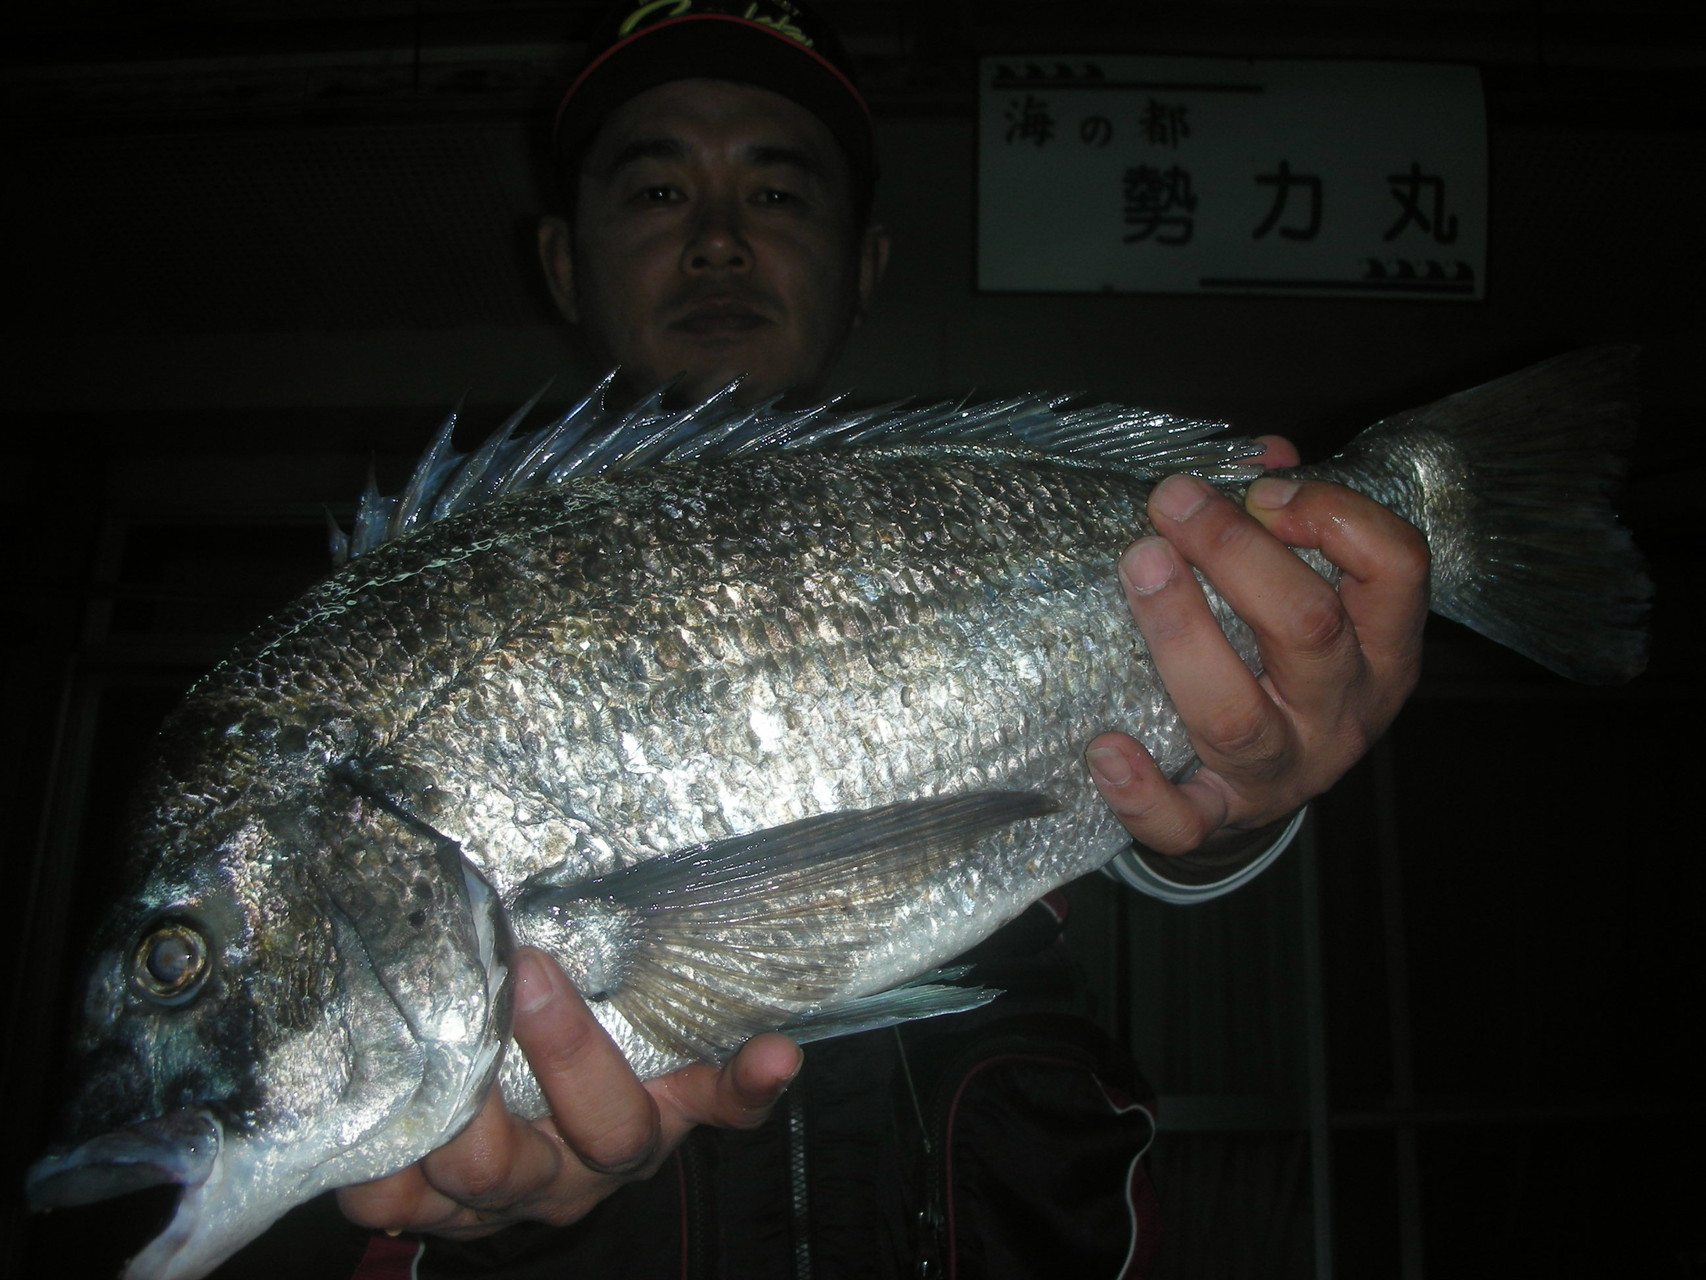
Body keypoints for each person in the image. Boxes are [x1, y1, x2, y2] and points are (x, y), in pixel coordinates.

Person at [334, 0, 1428, 1272]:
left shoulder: (968, 518)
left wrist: (1244, 788)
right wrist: (460, 1196)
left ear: (864, 262)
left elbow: (1138, 814)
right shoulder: (402, 622)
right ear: (563, 260)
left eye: (779, 194)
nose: (717, 241)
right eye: (654, 189)